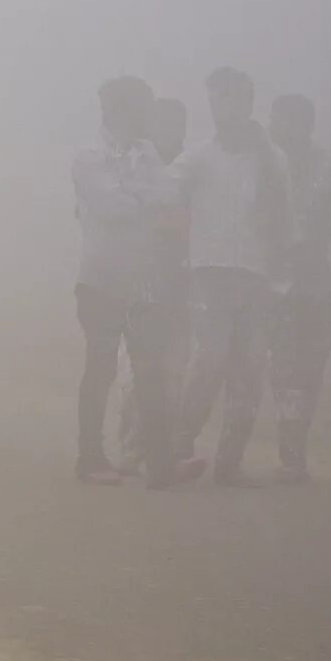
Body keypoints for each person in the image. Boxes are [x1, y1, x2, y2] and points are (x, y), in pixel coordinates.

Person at [171, 67, 289, 486]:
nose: (226, 107)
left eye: (235, 98)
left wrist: (280, 277)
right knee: (210, 358)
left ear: (248, 103)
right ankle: (178, 445)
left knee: (250, 369)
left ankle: (230, 462)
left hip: (256, 276)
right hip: (209, 273)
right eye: (219, 98)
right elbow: (167, 195)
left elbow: (283, 220)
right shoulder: (198, 157)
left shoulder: (273, 160)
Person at [71, 76, 180, 489]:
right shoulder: (87, 156)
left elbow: (169, 197)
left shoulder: (147, 152)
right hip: (99, 279)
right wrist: (144, 199)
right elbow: (111, 207)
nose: (147, 120)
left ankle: (159, 462)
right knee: (100, 368)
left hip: (141, 280)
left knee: (150, 370)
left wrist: (136, 196)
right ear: (120, 111)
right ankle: (90, 457)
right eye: (141, 110)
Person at [267, 93, 331, 483]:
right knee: (282, 369)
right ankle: (289, 456)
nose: (279, 128)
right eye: (277, 120)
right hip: (272, 288)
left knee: (310, 371)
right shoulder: (262, 167)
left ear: (304, 124)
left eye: (286, 121)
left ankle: (296, 450)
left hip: (319, 288)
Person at [111, 95, 189, 476]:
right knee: (135, 373)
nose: (171, 131)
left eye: (178, 123)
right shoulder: (131, 166)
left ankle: (165, 451)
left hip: (182, 284)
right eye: (163, 123)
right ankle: (130, 450)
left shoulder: (194, 169)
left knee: (174, 371)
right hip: (138, 281)